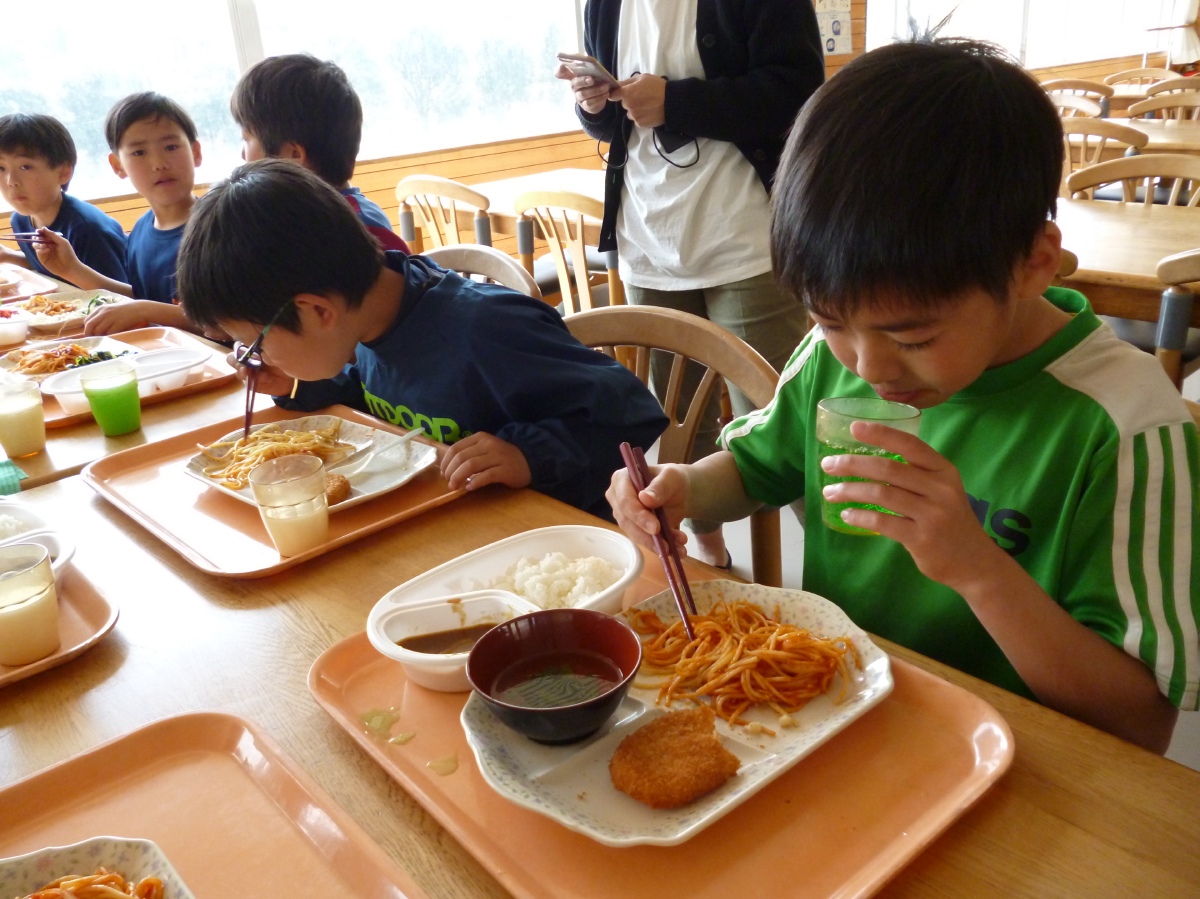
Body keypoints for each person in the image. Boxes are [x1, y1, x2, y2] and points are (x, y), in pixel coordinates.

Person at [607, 39, 1200, 753]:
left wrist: (977, 568)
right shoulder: (830, 359)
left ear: (1033, 264)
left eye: (913, 337)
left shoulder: (1126, 426)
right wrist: (683, 488)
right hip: (838, 720)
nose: (867, 365)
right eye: (831, 322)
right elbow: (757, 467)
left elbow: (1138, 719)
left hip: (1021, 763)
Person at [176, 159, 667, 519]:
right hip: (448, 524)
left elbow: (628, 414)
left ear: (317, 311)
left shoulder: (484, 330)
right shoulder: (364, 322)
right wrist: (293, 386)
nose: (254, 356)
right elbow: (376, 390)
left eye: (255, 343)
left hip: (558, 545)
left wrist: (529, 455)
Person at [555, 0, 824, 570]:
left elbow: (800, 93)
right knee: (679, 419)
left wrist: (676, 102)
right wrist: (594, 104)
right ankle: (707, 553)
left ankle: (850, 572)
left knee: (787, 424)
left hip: (745, 237)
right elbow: (616, 127)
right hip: (648, 237)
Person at [32, 93, 204, 336]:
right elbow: (143, 299)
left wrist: (144, 310)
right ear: (117, 166)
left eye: (171, 147)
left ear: (195, 152)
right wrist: (71, 269)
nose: (159, 163)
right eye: (139, 153)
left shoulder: (218, 227)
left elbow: (227, 325)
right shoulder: (141, 230)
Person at [230, 53, 410, 253]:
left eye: (247, 140)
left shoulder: (357, 230)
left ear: (293, 155)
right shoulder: (297, 216)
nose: (243, 155)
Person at [0, 113, 127, 285]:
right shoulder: (20, 220)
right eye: (1, 168)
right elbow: (52, 268)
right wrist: (8, 256)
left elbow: (122, 296)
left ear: (63, 172)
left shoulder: (87, 230)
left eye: (25, 167)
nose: (11, 181)